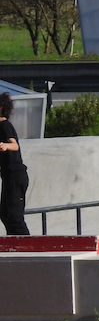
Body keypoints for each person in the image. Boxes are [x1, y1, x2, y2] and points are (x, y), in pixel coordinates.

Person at [0, 93, 30, 235]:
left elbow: (15, 145)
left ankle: (27, 247)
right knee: (5, 213)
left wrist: (5, 146)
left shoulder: (4, 125)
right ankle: (14, 243)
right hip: (8, 177)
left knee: (14, 216)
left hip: (15, 176)